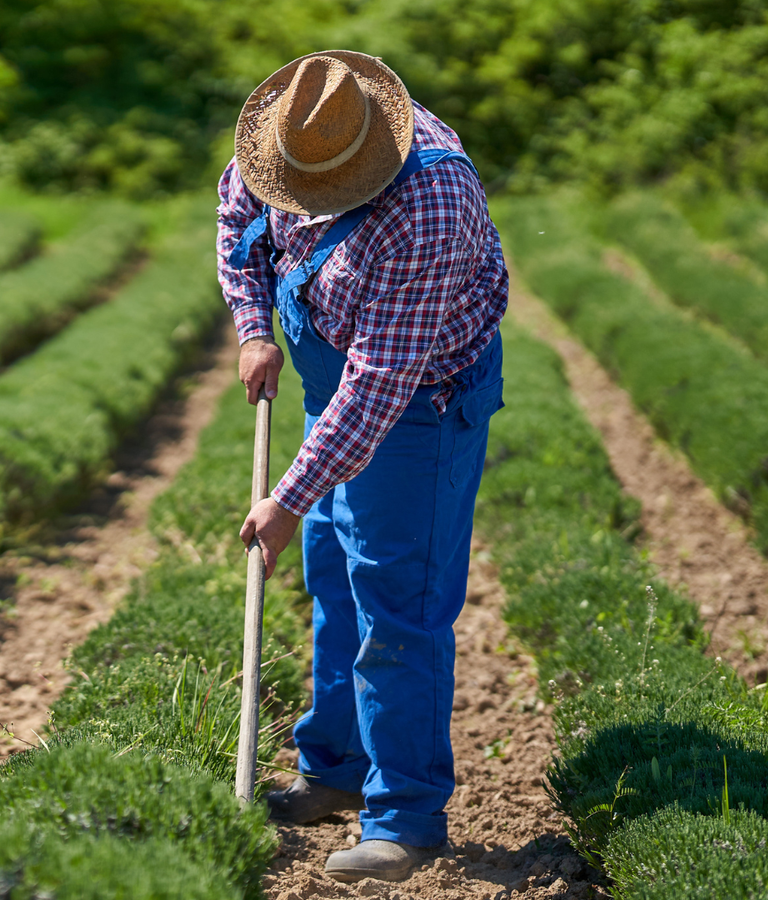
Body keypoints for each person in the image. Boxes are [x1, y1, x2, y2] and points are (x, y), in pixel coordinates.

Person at [219, 51, 507, 883]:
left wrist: (286, 497)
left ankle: (406, 818)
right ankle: (336, 769)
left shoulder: (430, 201)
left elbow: (380, 386)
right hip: (327, 374)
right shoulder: (286, 137)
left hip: (418, 403)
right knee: (334, 577)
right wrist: (252, 329)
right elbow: (237, 224)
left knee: (398, 600)